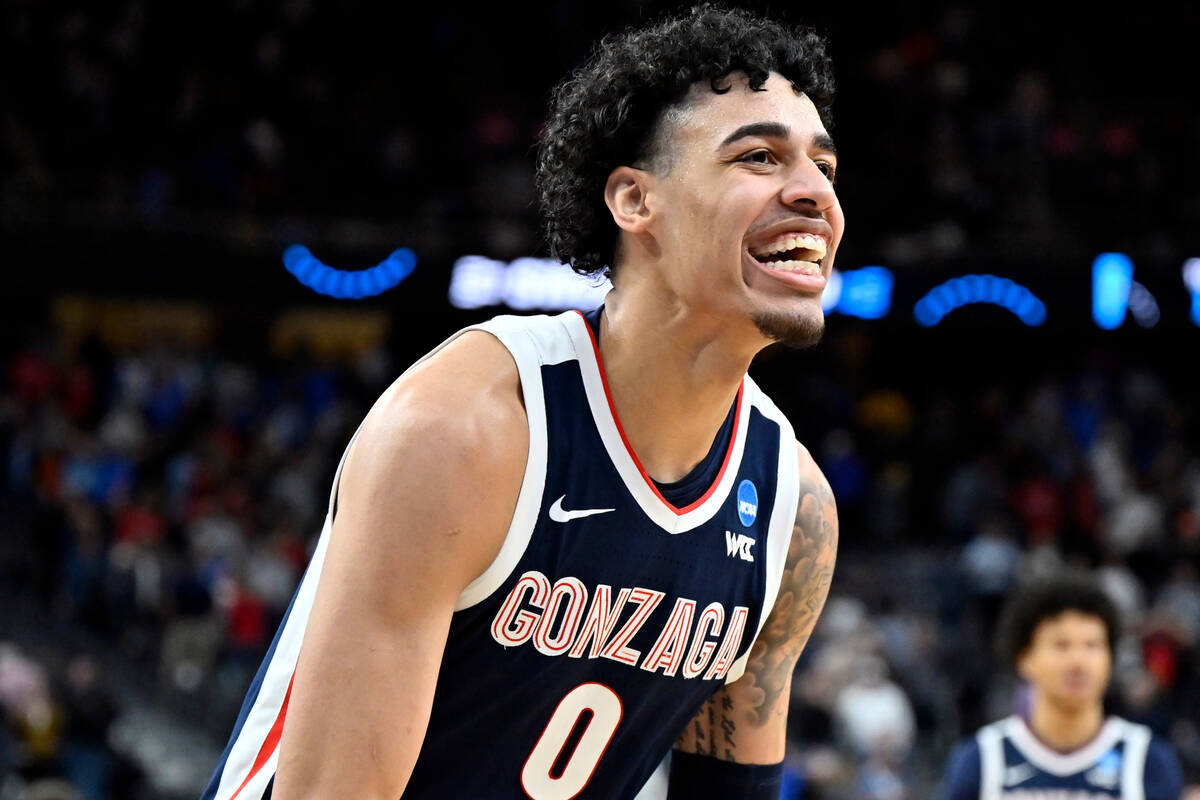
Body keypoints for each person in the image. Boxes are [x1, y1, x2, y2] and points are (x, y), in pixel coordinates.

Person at [202, 5, 842, 798]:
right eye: (759, 157)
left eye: (824, 166)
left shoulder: (794, 512)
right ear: (636, 202)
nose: (814, 192)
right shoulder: (466, 431)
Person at [940, 575, 1184, 800]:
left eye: (1092, 645)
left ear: (1110, 659)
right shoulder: (981, 759)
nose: (1078, 662)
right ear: (1024, 658)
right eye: (1062, 645)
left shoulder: (1147, 760)